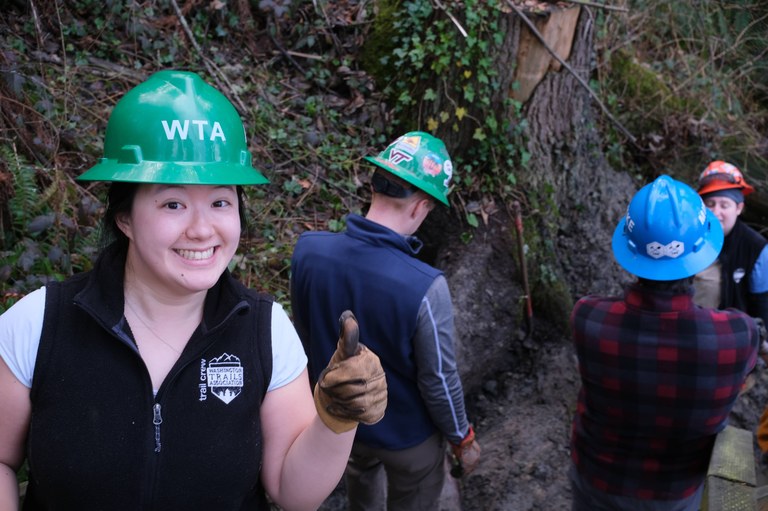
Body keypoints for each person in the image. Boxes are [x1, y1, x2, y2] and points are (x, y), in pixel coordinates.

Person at [0, 70, 387, 510]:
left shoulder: (265, 331)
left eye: (220, 201)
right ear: (124, 218)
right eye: (173, 203)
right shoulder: (39, 324)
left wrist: (336, 419)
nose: (203, 230)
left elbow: (292, 493)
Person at [290, 132, 481, 510]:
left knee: (361, 478)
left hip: (344, 423)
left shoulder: (308, 252)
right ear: (420, 206)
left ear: (376, 182)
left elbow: (306, 337)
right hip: (408, 439)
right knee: (419, 485)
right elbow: (438, 379)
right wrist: (463, 438)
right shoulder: (425, 286)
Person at [569, 175, 759, 511]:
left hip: (598, 479)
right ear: (700, 255)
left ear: (631, 252)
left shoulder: (588, 318)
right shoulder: (737, 335)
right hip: (675, 492)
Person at [692, 160, 768, 324]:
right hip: (690, 329)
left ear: (739, 208)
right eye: (710, 204)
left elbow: (763, 303)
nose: (716, 212)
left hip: (736, 337)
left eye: (724, 205)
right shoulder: (687, 238)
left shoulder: (756, 247)